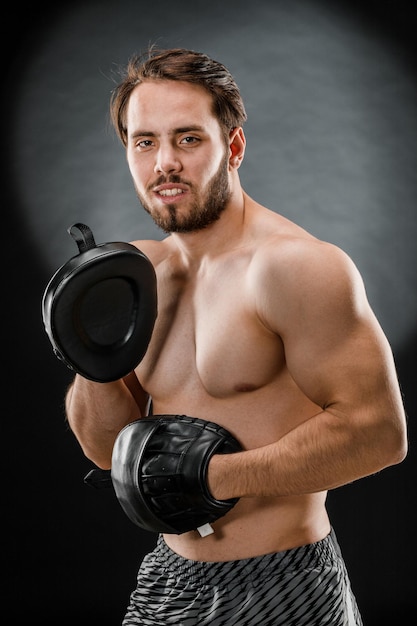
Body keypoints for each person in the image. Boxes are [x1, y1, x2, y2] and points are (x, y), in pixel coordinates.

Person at [64, 47, 408, 625]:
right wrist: (93, 357)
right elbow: (106, 450)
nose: (164, 163)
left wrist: (214, 474)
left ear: (234, 146)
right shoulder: (137, 275)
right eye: (144, 141)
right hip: (170, 581)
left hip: (287, 585)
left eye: (188, 139)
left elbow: (380, 434)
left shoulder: (295, 268)